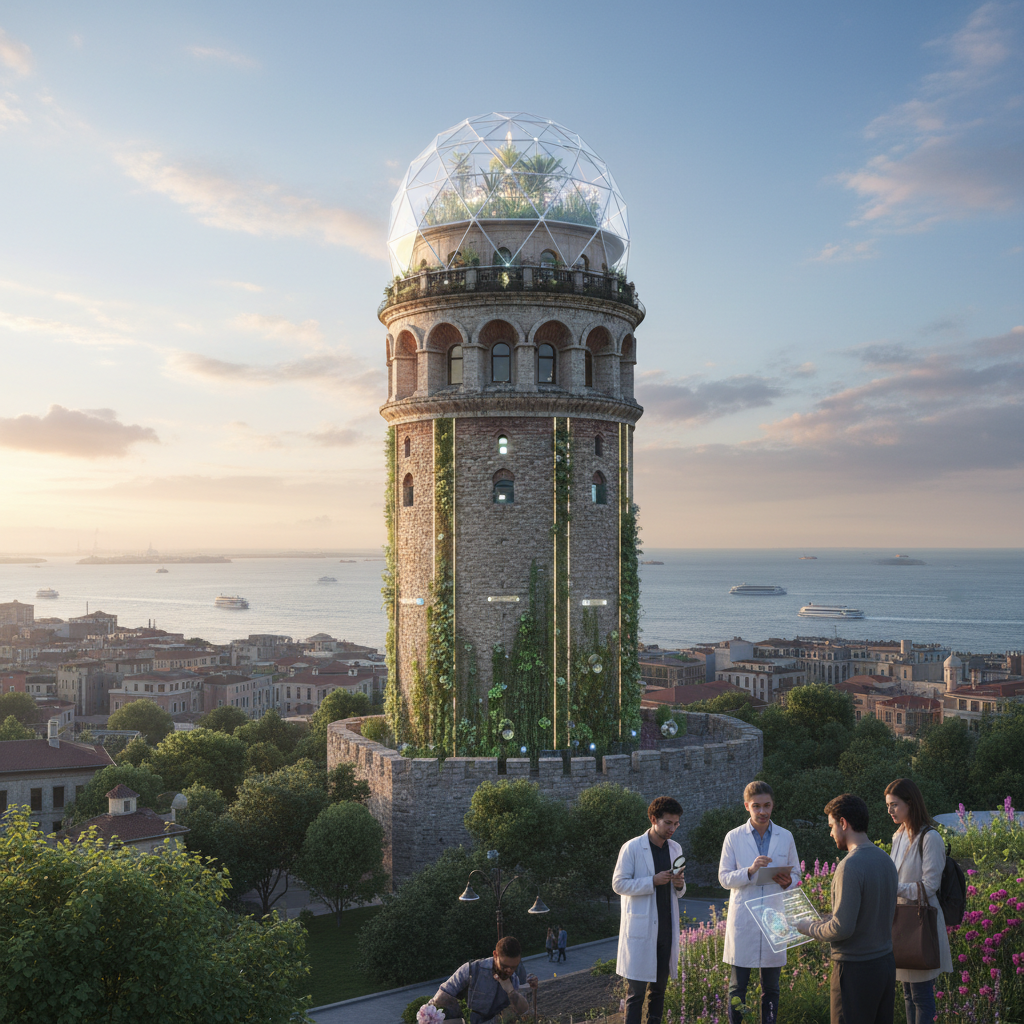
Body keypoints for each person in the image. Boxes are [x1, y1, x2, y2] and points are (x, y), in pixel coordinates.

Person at [795, 794, 898, 1024]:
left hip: (855, 970)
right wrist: (828, 919)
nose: (831, 833)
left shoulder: (849, 866)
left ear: (843, 823)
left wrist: (807, 927)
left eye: (831, 826)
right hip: (884, 965)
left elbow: (842, 929)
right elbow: (870, 912)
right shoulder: (885, 860)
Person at [718, 780, 802, 1024]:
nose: (762, 811)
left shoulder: (785, 836)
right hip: (744, 919)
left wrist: (789, 882)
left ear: (773, 805)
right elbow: (724, 878)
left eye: (767, 805)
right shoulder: (734, 837)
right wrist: (750, 870)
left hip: (774, 917)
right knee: (738, 987)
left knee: (772, 988)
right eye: (756, 806)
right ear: (747, 806)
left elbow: (796, 874)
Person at [612, 795, 687, 1024]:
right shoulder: (632, 847)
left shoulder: (676, 848)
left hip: (666, 931)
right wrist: (651, 881)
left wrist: (679, 884)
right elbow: (618, 884)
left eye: (676, 824)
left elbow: (679, 890)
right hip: (641, 931)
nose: (672, 828)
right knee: (635, 994)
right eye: (668, 823)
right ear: (653, 819)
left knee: (659, 991)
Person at [885, 777, 953, 1024]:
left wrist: (893, 889)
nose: (890, 810)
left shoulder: (930, 837)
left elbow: (930, 886)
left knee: (921, 994)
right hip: (902, 921)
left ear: (910, 803)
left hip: (920, 922)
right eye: (888, 805)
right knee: (908, 993)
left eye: (894, 804)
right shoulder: (899, 835)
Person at [427, 935, 539, 1024]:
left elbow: (524, 1011)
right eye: (504, 966)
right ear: (495, 955)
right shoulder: (472, 970)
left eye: (514, 967)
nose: (509, 971)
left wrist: (511, 991)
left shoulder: (513, 979)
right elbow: (442, 996)